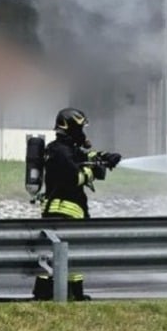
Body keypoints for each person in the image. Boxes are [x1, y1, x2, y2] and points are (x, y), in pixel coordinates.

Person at [31, 107, 122, 301]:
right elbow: (74, 178)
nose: (82, 132)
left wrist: (104, 157)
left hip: (65, 209)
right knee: (64, 253)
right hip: (64, 209)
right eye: (80, 128)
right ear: (70, 127)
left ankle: (67, 293)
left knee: (66, 253)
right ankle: (53, 293)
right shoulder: (61, 151)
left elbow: (83, 157)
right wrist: (93, 172)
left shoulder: (64, 149)